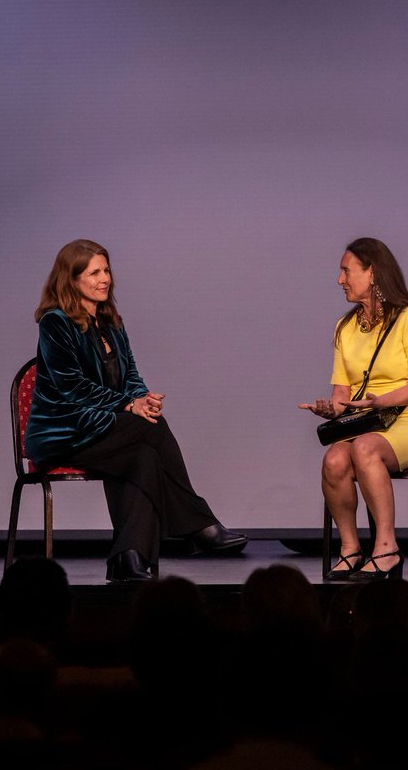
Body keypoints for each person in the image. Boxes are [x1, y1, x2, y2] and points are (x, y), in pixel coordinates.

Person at [25, 239, 247, 582]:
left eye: (107, 270)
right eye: (95, 272)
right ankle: (197, 525)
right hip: (64, 432)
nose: (105, 279)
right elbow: (72, 386)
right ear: (72, 279)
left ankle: (128, 558)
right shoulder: (55, 323)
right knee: (150, 428)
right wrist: (129, 405)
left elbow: (130, 374)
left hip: (103, 427)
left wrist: (142, 398)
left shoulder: (111, 321)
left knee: (144, 456)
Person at [300, 238, 408, 580]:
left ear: (372, 273)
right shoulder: (344, 327)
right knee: (334, 459)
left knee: (364, 449)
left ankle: (387, 548)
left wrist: (380, 401)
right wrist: (329, 408)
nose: (340, 279)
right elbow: (342, 393)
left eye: (346, 270)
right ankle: (350, 549)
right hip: (368, 423)